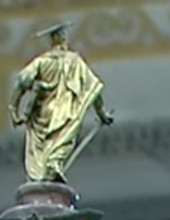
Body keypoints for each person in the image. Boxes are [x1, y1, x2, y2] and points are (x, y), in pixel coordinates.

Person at [9, 23, 114, 184]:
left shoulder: (41, 62)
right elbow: (93, 88)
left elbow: (21, 82)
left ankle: (44, 176)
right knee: (62, 143)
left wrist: (13, 109)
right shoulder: (75, 61)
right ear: (64, 39)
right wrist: (102, 114)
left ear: (51, 41)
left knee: (39, 151)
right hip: (64, 113)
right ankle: (53, 165)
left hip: (42, 114)